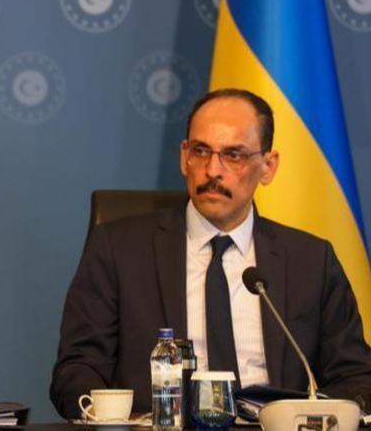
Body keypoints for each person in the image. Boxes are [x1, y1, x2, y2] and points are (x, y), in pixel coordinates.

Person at [50, 88, 371, 418]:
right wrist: (119, 419)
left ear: (268, 167)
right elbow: (77, 369)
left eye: (234, 155)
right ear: (184, 157)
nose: (213, 170)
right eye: (201, 151)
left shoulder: (311, 261)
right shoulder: (119, 249)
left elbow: (354, 376)